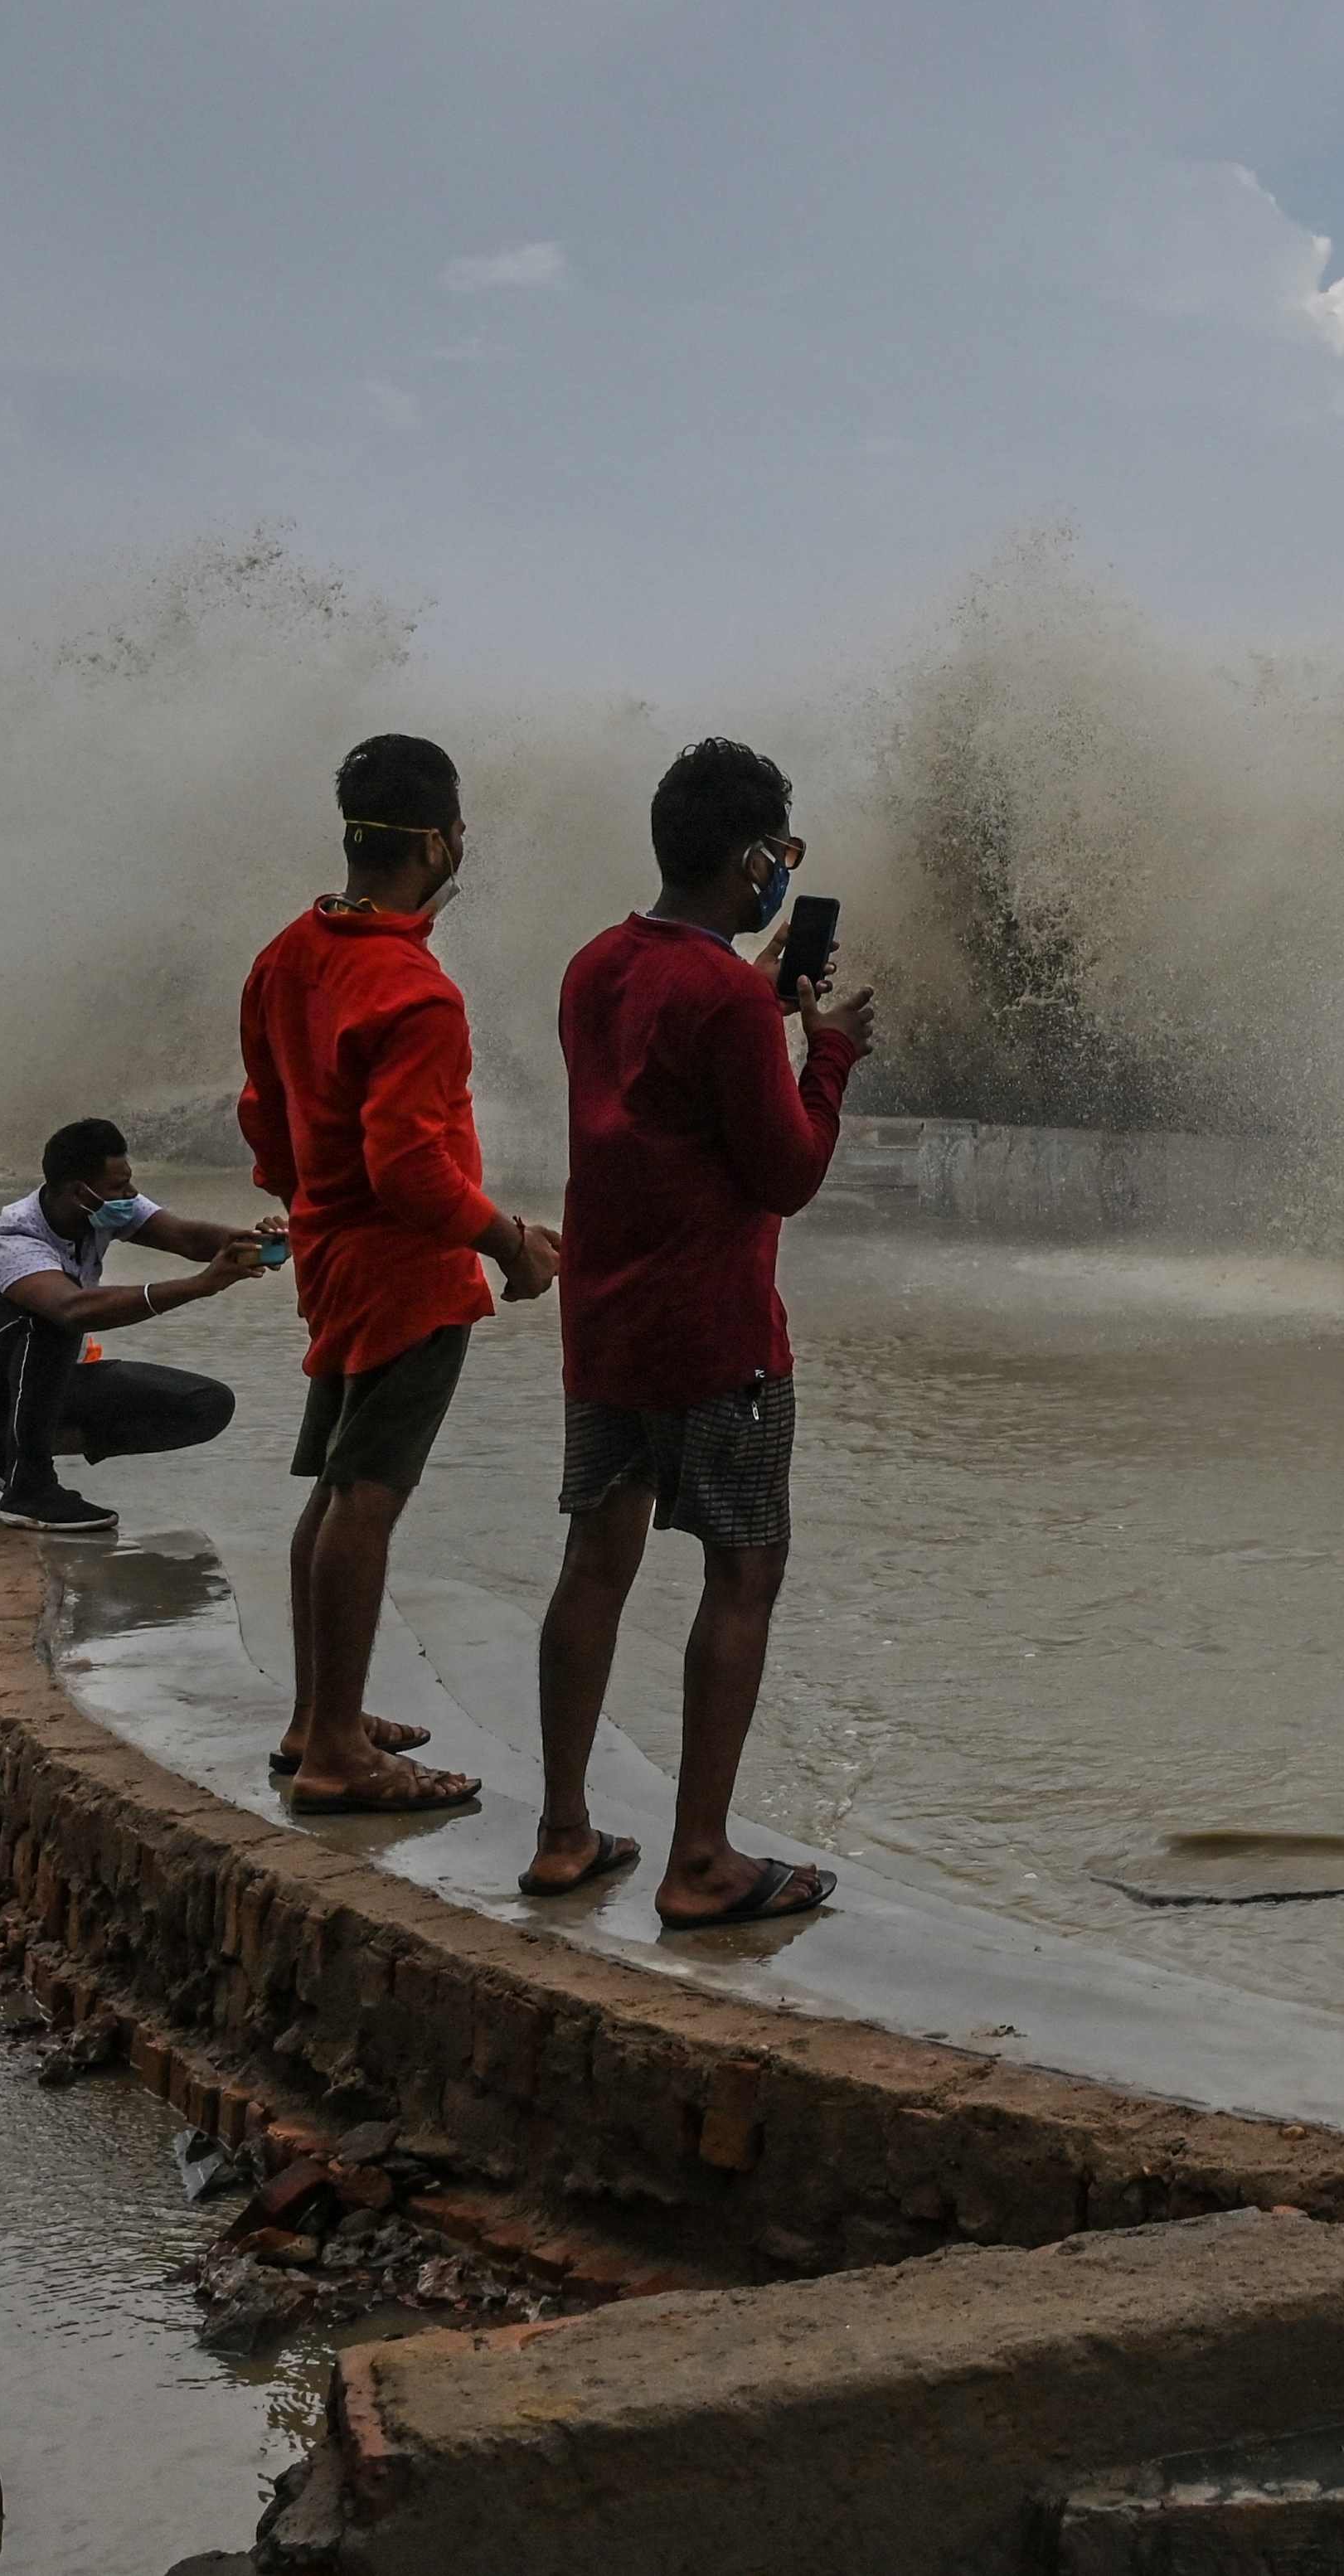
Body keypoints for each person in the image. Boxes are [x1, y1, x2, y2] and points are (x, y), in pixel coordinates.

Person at [530, 735, 868, 1923]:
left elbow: (661, 1091)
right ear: (746, 858)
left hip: (606, 1324)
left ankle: (563, 1831)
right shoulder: (724, 994)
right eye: (782, 849)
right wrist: (826, 1055)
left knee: (594, 1562)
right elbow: (783, 1173)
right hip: (716, 1335)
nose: (787, 866)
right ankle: (701, 1861)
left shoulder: (595, 964)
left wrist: (764, 1004)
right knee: (742, 1571)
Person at [237, 734, 560, 1816]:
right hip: (406, 1277)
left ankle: (315, 1712)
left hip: (331, 1259)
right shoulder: (415, 993)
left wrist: (308, 1206)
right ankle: (336, 1751)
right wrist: (508, 1241)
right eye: (457, 827)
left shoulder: (287, 956)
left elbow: (263, 1119)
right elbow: (410, 1166)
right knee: (366, 1503)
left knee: (332, 1494)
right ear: (434, 838)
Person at [0, 1120, 268, 1529]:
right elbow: (74, 1310)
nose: (130, 1196)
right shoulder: (12, 1240)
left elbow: (185, 1237)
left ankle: (6, 1453)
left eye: (130, 1183)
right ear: (79, 1191)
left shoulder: (102, 1210)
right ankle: (29, 1490)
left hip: (32, 1384)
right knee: (55, 1316)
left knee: (206, 1404)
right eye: (119, 1187)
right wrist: (199, 1286)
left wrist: (253, 1244)